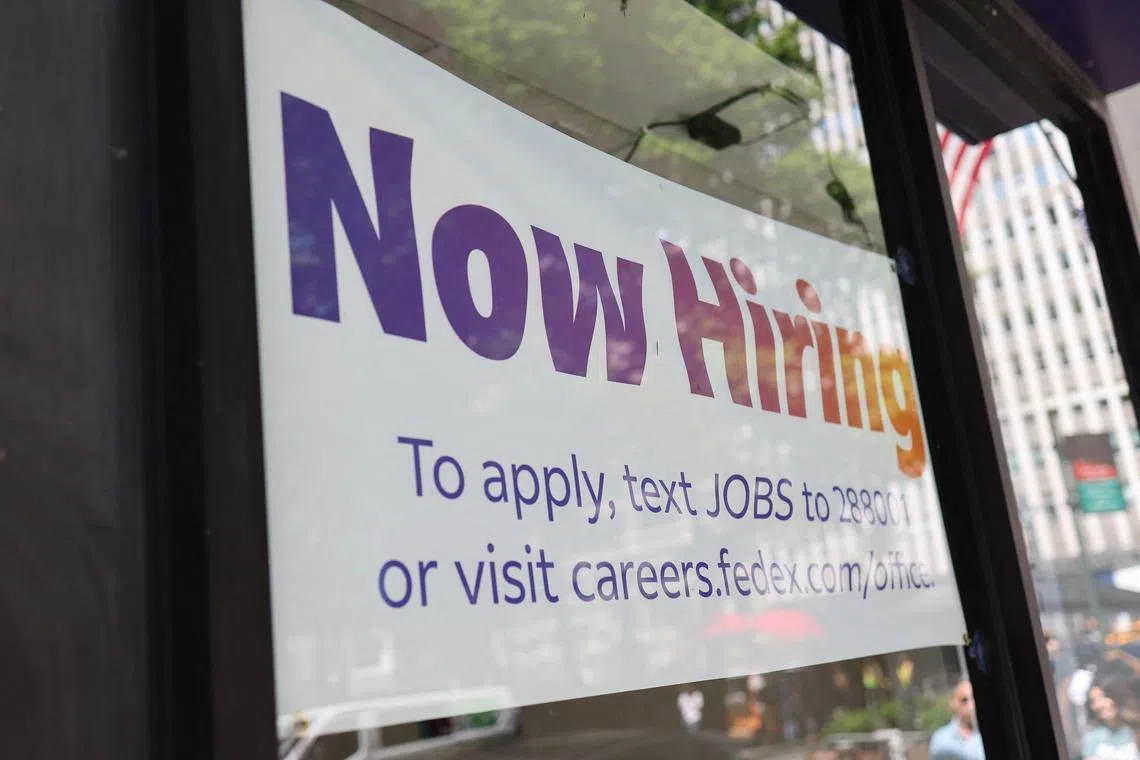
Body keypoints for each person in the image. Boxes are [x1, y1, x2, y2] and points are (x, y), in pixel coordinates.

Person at [1082, 678, 1139, 759]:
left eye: (1103, 697)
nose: (1099, 705)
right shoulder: (1092, 737)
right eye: (1093, 701)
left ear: (1115, 696)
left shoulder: (1135, 730)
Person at [929, 680, 985, 760]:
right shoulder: (941, 739)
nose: (971, 705)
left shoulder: (991, 734)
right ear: (954, 703)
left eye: (974, 698)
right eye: (964, 700)